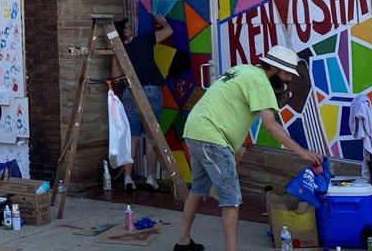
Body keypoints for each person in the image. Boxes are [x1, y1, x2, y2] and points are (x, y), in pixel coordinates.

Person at [174, 46, 323, 251]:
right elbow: (271, 125)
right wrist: (302, 152)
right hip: (212, 138)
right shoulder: (260, 81)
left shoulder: (245, 70)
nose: (289, 79)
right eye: (287, 73)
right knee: (231, 201)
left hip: (195, 130)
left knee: (198, 190)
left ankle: (183, 242)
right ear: (275, 69)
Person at [111, 15, 171, 190]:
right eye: (128, 27)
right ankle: (151, 177)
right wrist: (164, 23)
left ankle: (128, 178)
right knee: (151, 136)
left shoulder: (119, 50)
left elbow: (115, 78)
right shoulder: (144, 39)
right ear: (127, 31)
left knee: (133, 136)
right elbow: (169, 32)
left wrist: (115, 55)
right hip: (152, 90)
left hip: (131, 92)